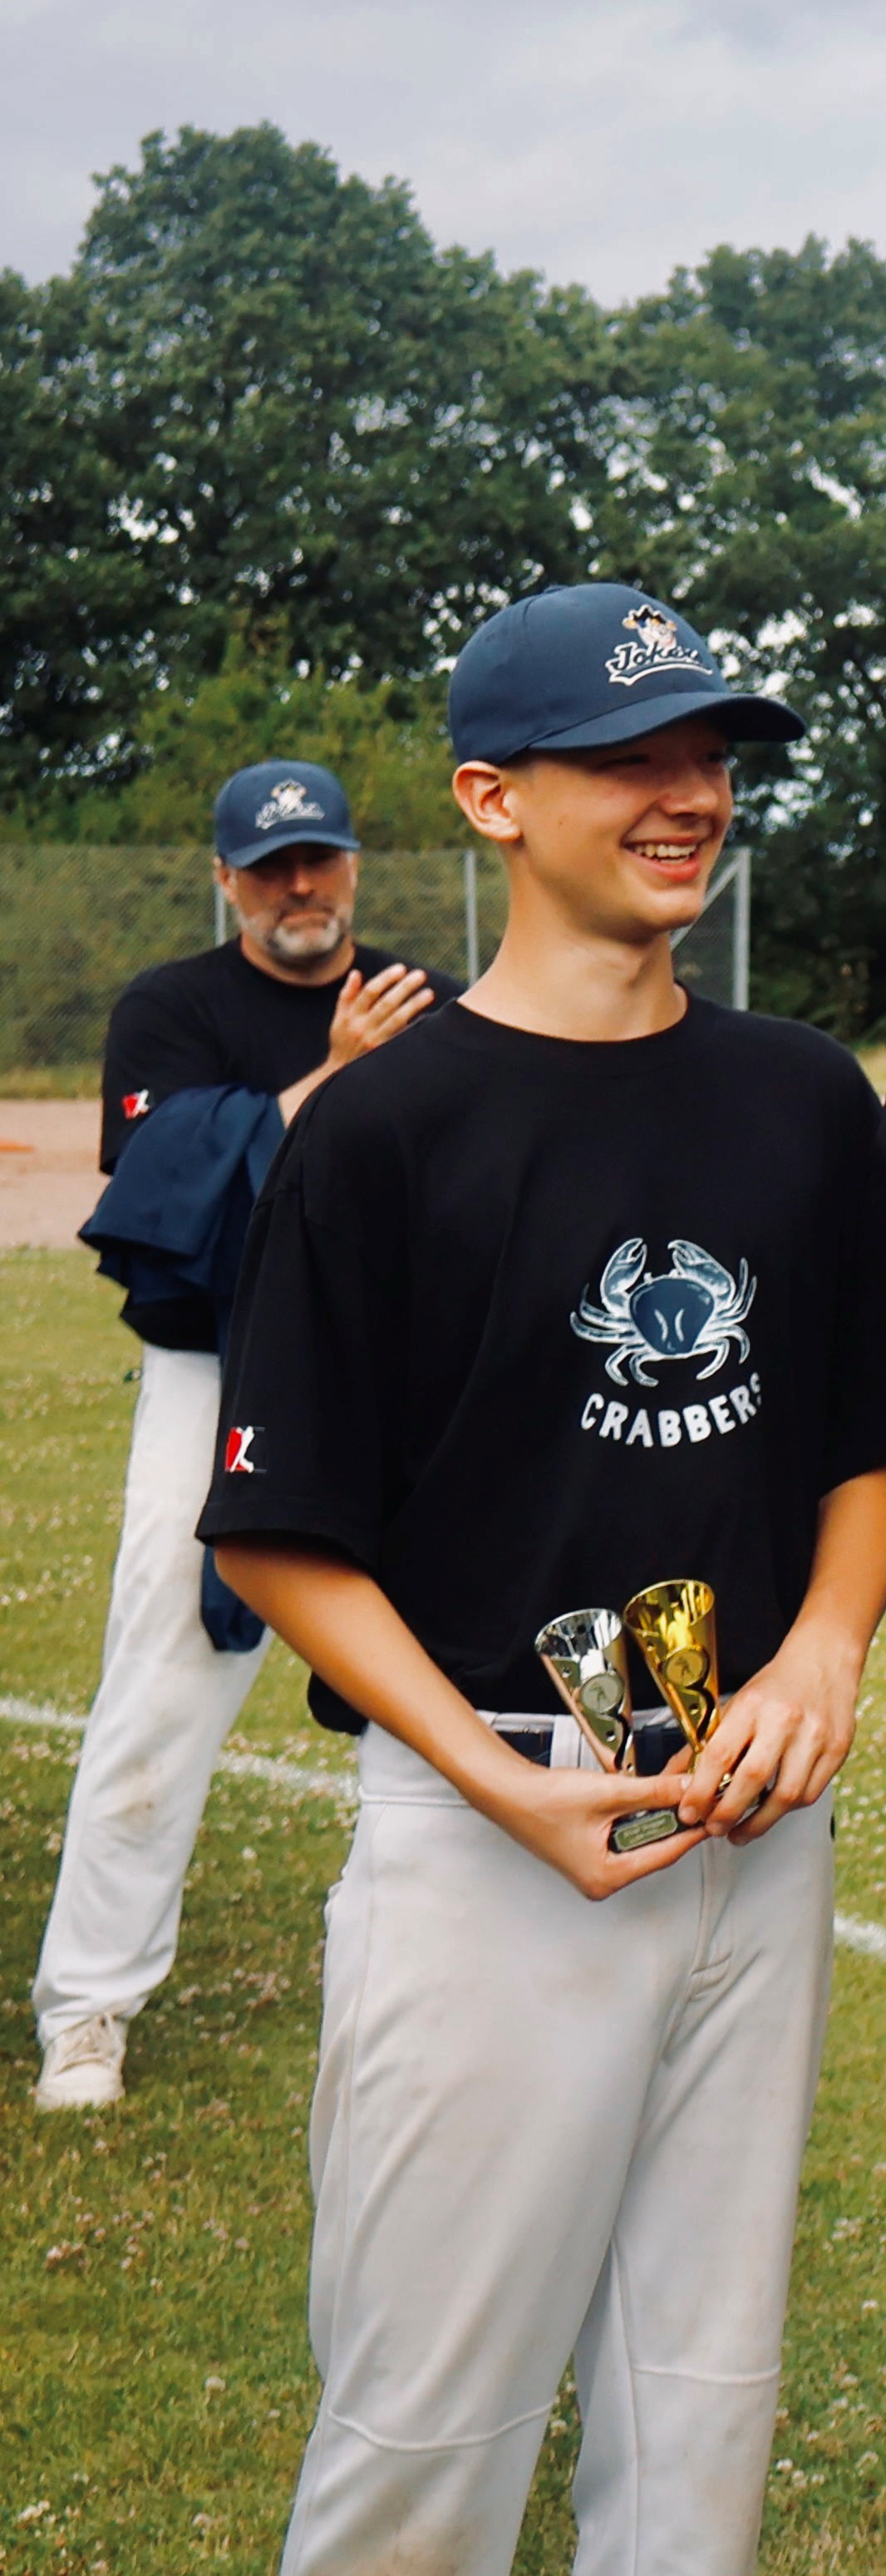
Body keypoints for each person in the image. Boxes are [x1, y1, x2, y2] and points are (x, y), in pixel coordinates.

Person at [198, 587, 886, 2576]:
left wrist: (822, 1648)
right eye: (631, 758)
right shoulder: (382, 1126)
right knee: (422, 2430)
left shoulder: (799, 1093)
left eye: (707, 754)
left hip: (746, 1811)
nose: (688, 793)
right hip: (489, 1829)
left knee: (699, 2417)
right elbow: (279, 1528)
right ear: (491, 798)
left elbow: (876, 1442)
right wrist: (493, 1774)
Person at [32, 760, 450, 2112]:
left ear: (352, 866)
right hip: (213, 1374)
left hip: (388, 1380)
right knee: (159, 1690)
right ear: (226, 880)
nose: (299, 889)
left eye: (318, 860)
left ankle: (453, 1976)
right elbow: (162, 1195)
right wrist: (330, 1080)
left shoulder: (414, 997)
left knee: (447, 1672)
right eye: (269, 868)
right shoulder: (175, 1009)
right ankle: (88, 2008)